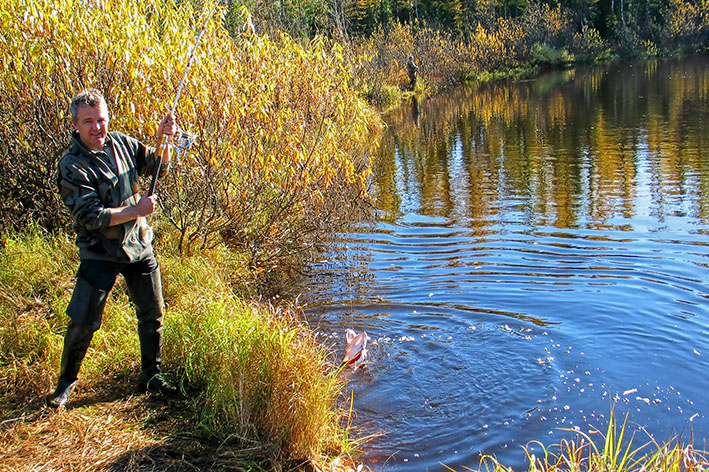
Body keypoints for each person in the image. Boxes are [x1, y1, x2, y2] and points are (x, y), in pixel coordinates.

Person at [47, 88, 177, 409]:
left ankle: (151, 375)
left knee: (152, 313)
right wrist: (138, 210)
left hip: (138, 246)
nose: (97, 127)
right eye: (88, 121)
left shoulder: (122, 143)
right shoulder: (71, 164)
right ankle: (65, 383)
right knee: (84, 319)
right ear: (76, 125)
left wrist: (164, 140)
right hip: (99, 251)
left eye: (101, 119)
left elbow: (158, 166)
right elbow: (92, 217)